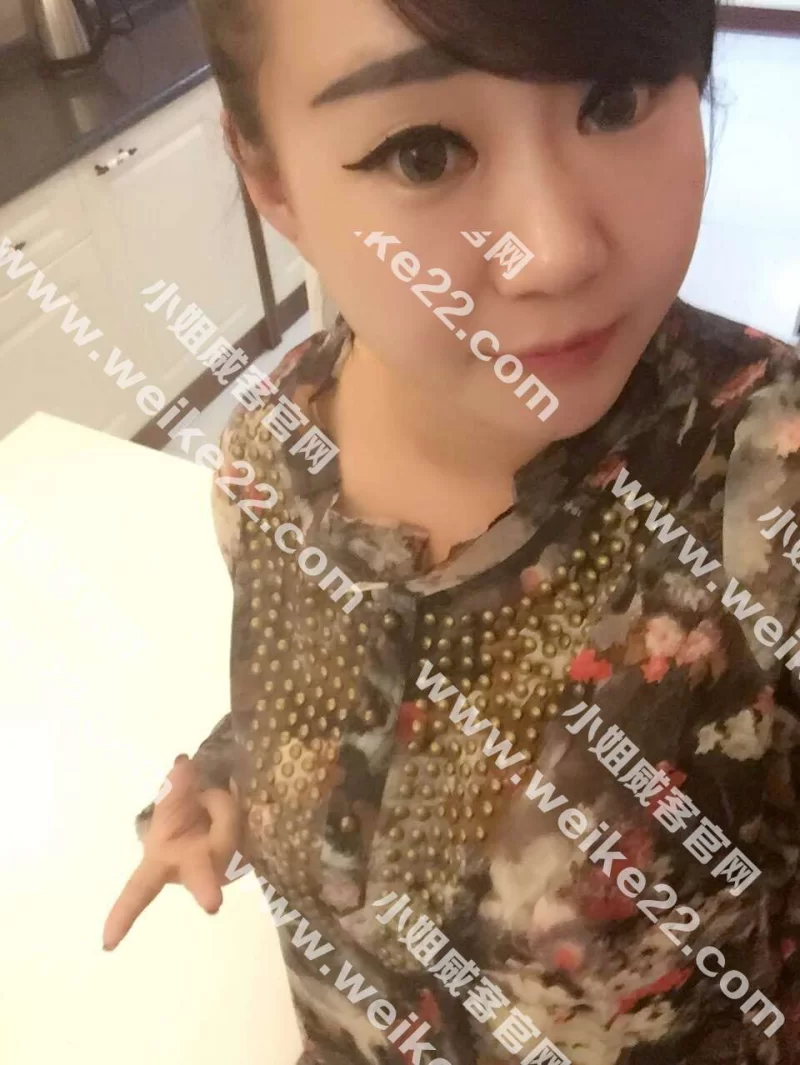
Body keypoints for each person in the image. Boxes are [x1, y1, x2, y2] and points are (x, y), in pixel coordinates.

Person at [102, 0, 800, 1062]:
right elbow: (332, 693)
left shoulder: (766, 497)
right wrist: (228, 783)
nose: (553, 251)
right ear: (269, 178)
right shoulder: (275, 457)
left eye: (614, 100)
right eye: (422, 152)